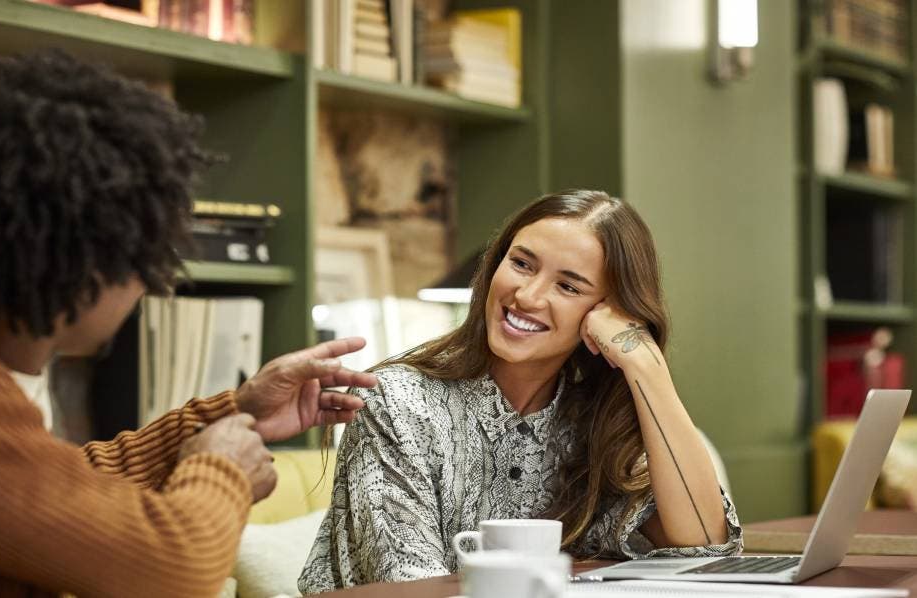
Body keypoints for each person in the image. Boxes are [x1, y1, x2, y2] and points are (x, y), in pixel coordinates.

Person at [0, 50, 376, 597]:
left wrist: (233, 413)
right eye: (144, 259)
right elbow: (174, 572)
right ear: (85, 264)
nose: (151, 285)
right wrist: (223, 472)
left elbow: (58, 497)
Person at [299, 190, 744, 593]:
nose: (527, 295)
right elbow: (409, 589)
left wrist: (645, 364)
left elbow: (703, 547)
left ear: (608, 313)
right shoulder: (396, 403)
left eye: (568, 286)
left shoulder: (595, 423)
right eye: (521, 264)